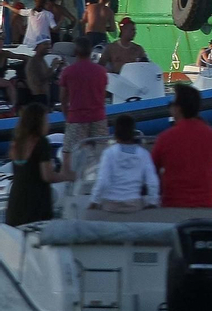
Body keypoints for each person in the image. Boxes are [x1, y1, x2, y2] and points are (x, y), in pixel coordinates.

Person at [151, 83, 212, 209]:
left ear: (177, 109)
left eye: (171, 105)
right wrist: (211, 187)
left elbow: (152, 172)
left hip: (174, 207)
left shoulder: (165, 138)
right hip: (207, 207)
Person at [6, 103, 70, 226]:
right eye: (46, 119)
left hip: (16, 203)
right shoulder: (41, 142)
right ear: (39, 121)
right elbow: (47, 176)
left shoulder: (17, 142)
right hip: (36, 205)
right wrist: (68, 176)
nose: (48, 123)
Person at [89, 114, 161, 213]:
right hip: (134, 205)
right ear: (133, 132)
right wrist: (152, 202)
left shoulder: (109, 153)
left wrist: (94, 201)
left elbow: (103, 181)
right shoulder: (144, 154)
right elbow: (152, 182)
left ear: (115, 132)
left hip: (111, 205)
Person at [58, 36, 109, 164]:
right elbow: (103, 94)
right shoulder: (101, 71)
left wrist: (67, 116)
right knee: (100, 155)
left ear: (75, 51)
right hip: (98, 117)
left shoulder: (68, 72)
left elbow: (63, 99)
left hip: (77, 118)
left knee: (69, 154)